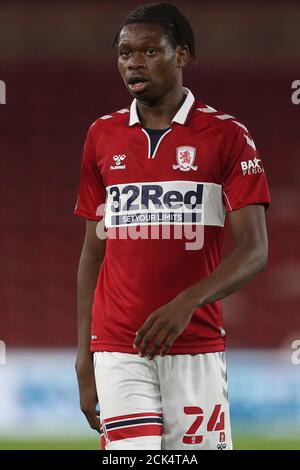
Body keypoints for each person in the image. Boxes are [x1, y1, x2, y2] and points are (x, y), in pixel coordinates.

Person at [74, 3, 270, 450]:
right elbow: (92, 253)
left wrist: (187, 302)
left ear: (181, 55)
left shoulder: (227, 136)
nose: (133, 62)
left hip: (195, 343)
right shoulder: (101, 136)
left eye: (148, 50)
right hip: (118, 345)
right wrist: (85, 355)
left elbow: (255, 251)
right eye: (125, 53)